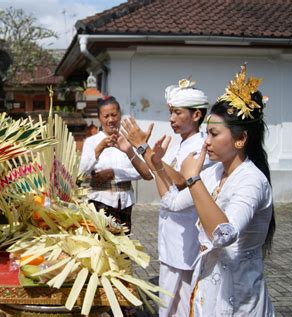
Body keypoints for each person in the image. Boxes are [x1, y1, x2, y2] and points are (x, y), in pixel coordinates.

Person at [146, 64, 275, 315]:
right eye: (207, 133)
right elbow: (171, 202)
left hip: (239, 295)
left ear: (240, 139)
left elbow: (224, 235)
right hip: (207, 287)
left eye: (214, 134)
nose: (206, 141)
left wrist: (193, 179)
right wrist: (157, 167)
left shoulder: (251, 181)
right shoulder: (215, 173)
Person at [121, 78, 211, 316]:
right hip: (171, 237)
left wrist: (145, 148)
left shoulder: (201, 147)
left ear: (197, 115)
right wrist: (135, 150)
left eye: (177, 113)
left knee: (184, 305)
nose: (171, 119)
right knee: (168, 305)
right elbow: (158, 172)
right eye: (171, 112)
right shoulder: (178, 145)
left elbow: (183, 180)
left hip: (187, 239)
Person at [79, 96, 152, 231]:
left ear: (120, 115)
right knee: (101, 245)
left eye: (114, 115)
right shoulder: (92, 142)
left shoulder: (130, 140)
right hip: (99, 201)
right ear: (99, 118)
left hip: (125, 202)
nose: (111, 120)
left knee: (123, 245)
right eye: (106, 116)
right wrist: (99, 148)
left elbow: (142, 171)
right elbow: (81, 172)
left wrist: (115, 173)